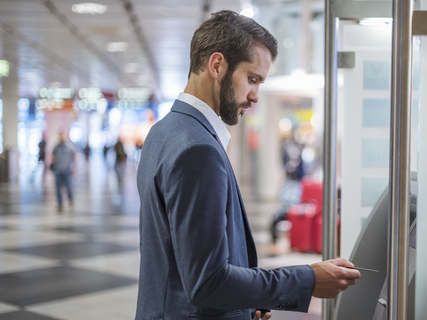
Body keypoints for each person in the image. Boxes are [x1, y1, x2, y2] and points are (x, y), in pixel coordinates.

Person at [135, 10, 360, 320]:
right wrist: (308, 278)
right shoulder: (198, 149)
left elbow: (178, 263)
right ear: (217, 65)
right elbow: (207, 282)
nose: (255, 96)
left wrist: (242, 309)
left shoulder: (164, 132)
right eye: (251, 79)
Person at [51, 131, 76, 211]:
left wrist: (74, 167)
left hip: (67, 170)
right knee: (58, 188)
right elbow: (53, 157)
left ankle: (70, 199)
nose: (62, 137)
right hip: (58, 170)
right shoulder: (56, 147)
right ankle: (60, 204)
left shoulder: (70, 147)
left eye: (63, 136)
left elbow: (74, 156)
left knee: (69, 186)